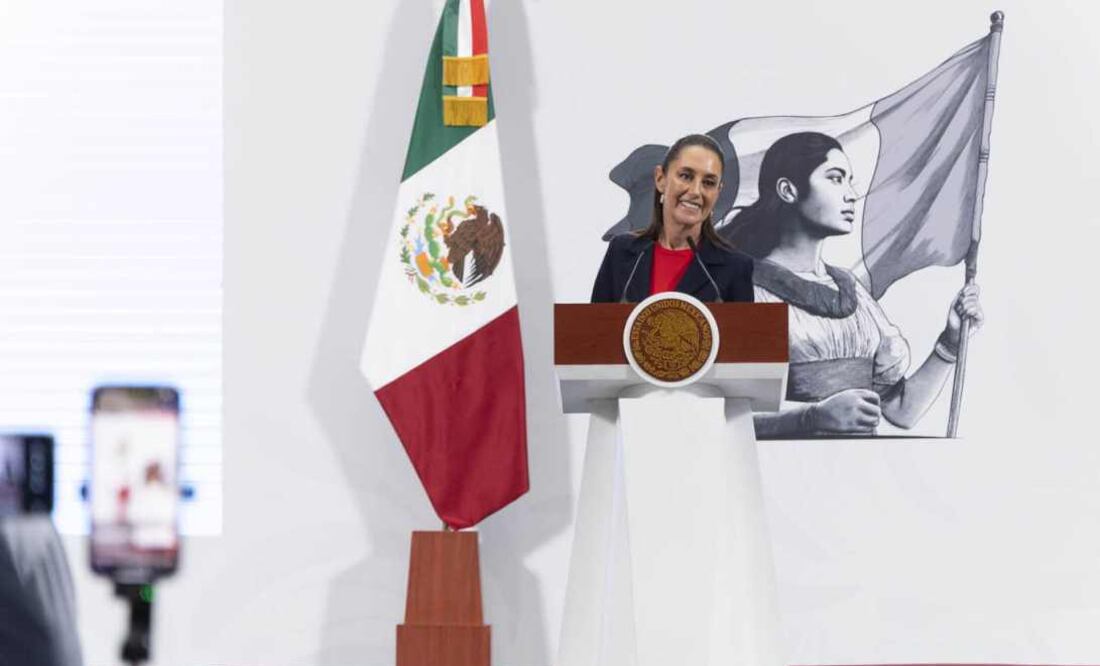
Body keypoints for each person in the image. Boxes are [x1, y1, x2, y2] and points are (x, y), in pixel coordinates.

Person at [723, 131, 983, 437]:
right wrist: (812, 417)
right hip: (787, 465)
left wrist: (950, 342)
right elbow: (733, 417)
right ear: (787, 190)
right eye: (835, 179)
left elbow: (901, 411)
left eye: (849, 181)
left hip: (861, 465)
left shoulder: (852, 290)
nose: (850, 194)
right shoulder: (748, 289)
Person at [591, 134, 754, 303]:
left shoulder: (736, 268)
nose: (695, 191)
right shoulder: (621, 252)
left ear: (718, 192)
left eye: (708, 182)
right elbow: (595, 319)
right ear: (660, 179)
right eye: (686, 176)